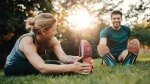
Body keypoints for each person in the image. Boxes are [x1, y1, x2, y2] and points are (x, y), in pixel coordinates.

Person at [4, 13, 92, 76]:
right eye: (54, 30)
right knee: (54, 68)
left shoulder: (52, 40)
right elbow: (42, 67)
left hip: (32, 64)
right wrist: (72, 68)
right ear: (43, 31)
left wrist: (79, 59)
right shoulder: (27, 41)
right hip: (13, 66)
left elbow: (63, 58)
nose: (56, 32)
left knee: (57, 63)